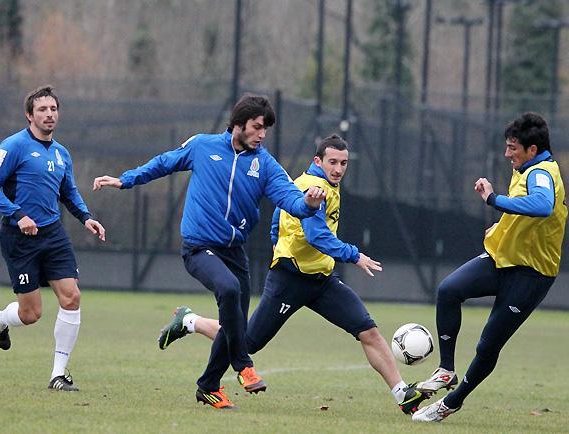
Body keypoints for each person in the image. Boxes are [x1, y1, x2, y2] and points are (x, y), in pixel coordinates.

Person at [157, 133, 430, 414]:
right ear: (318, 161)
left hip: (322, 281)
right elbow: (316, 236)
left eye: (343, 163)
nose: (338, 169)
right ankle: (190, 321)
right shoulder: (312, 187)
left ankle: (403, 394)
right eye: (332, 162)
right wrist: (354, 255)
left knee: (367, 331)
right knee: (246, 342)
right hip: (290, 280)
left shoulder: (324, 185)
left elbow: (277, 219)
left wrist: (279, 241)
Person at [93, 93, 326, 409]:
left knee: (235, 324)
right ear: (239, 123)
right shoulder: (202, 146)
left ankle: (208, 386)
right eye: (257, 127)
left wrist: (309, 204)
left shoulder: (265, 164)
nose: (262, 134)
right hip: (198, 247)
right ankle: (243, 365)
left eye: (265, 129)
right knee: (228, 290)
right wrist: (125, 180)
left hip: (234, 251)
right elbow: (163, 163)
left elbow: (290, 199)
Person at [412, 112, 567, 422]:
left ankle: (452, 402)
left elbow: (542, 205)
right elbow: (526, 217)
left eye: (512, 147)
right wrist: (501, 228)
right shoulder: (526, 168)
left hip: (531, 275)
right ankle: (446, 370)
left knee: (488, 344)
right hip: (500, 260)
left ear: (532, 149)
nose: (507, 153)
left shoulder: (541, 173)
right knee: (448, 291)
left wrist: (493, 199)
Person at [0, 85, 106, 392]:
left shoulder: (62, 153)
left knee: (71, 297)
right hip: (19, 237)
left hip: (53, 234)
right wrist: (18, 214)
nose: (49, 114)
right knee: (31, 314)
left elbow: (68, 191)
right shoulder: (14, 145)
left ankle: (58, 375)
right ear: (29, 115)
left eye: (53, 109)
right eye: (42, 110)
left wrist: (86, 217)